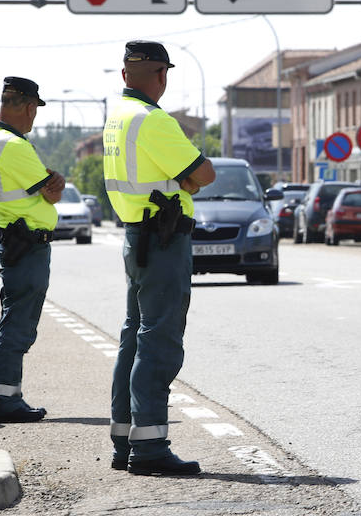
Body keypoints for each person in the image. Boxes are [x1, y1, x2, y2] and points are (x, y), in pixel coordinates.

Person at [103, 41, 215, 476]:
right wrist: (187, 181)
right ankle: (149, 448)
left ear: (126, 74)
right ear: (162, 75)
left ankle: (125, 439)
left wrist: (183, 180)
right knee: (159, 340)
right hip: (164, 241)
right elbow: (204, 174)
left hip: (138, 236)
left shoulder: (118, 118)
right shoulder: (153, 120)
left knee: (134, 336)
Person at [0, 77, 65, 423]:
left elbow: (47, 187)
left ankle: (8, 394)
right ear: (29, 107)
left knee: (15, 318)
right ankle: (5, 398)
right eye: (35, 111)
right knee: (19, 323)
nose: (34, 118)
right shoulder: (14, 146)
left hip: (15, 241)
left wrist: (51, 183)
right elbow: (51, 191)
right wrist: (55, 183)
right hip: (26, 243)